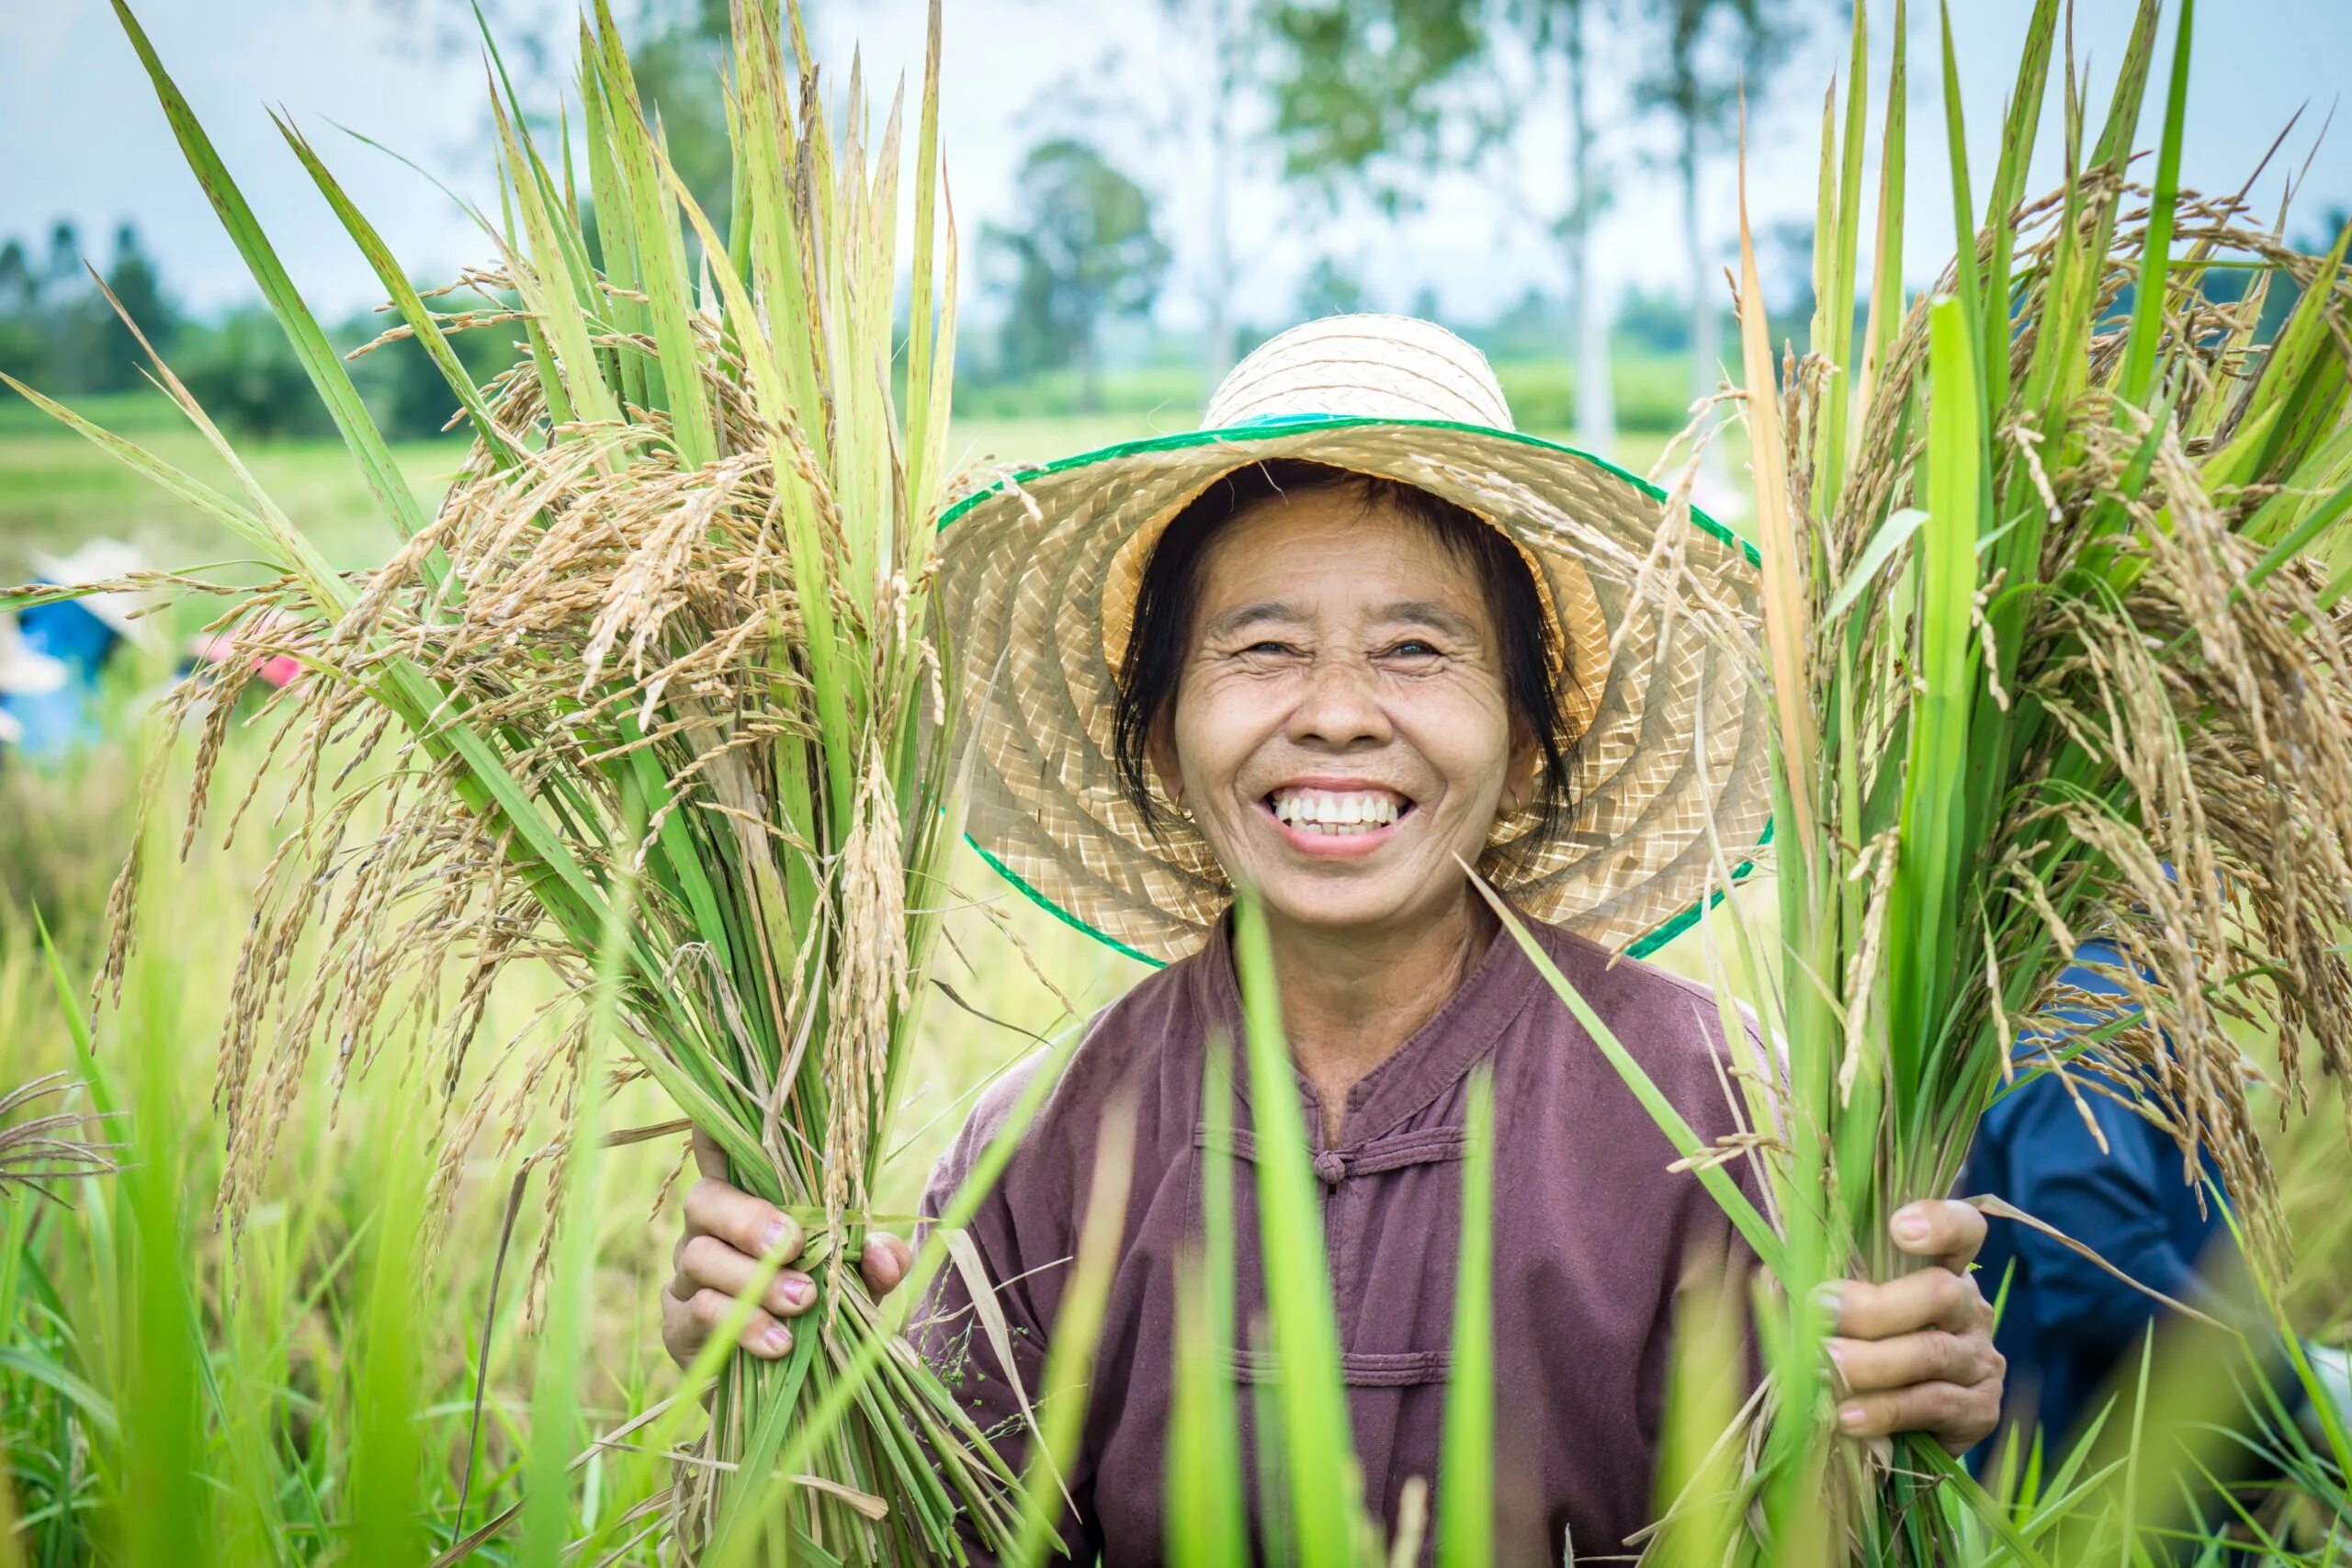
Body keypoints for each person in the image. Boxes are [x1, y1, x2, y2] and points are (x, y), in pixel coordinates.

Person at [660, 317, 2006, 1562]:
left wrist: (1919, 1391)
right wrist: (787, 1383)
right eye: (1262, 650)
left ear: (1530, 740)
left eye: (1418, 649)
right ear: (1166, 738)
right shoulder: (1045, 1144)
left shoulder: (1723, 1112)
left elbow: (1826, 1495)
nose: (1339, 715)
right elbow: (923, 1527)